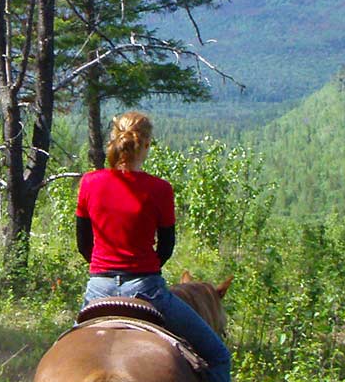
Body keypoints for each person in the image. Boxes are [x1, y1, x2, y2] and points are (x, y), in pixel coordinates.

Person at [75, 111, 231, 382]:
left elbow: (83, 242)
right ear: (146, 144)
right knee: (218, 356)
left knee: (63, 351)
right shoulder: (160, 189)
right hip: (147, 290)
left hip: (98, 289)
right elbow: (167, 246)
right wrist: (144, 268)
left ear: (114, 139)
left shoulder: (89, 182)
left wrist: (103, 267)